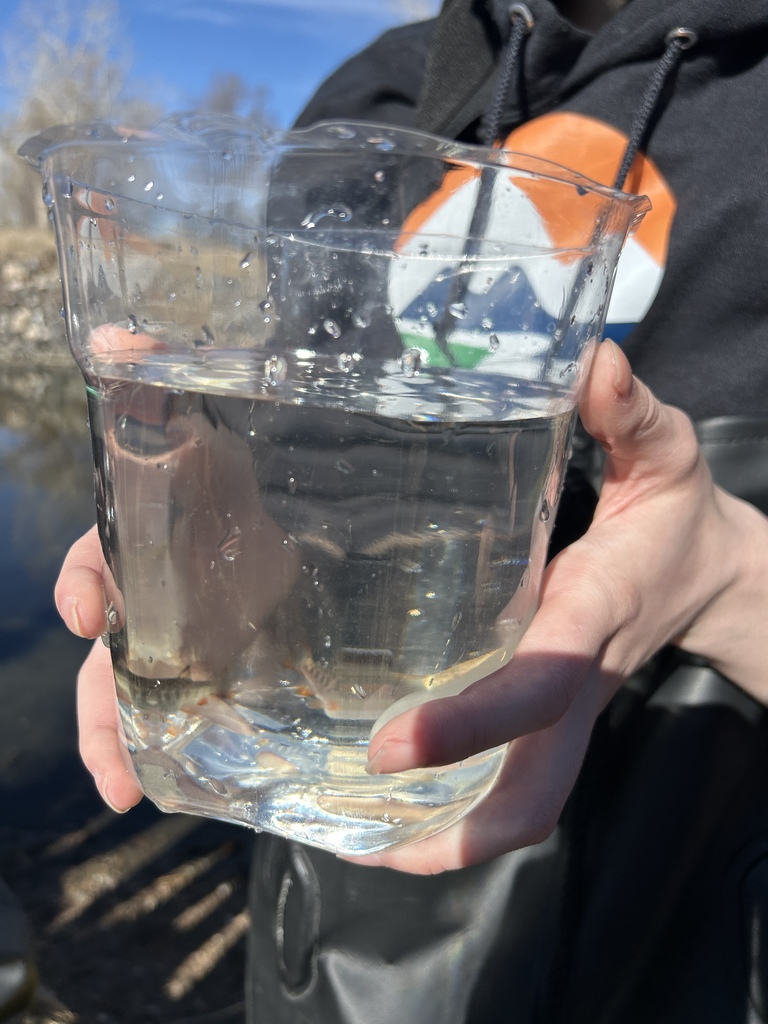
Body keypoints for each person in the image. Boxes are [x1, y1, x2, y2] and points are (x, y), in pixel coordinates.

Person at [54, 0, 768, 1020]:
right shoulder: (377, 89)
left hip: (697, 928)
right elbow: (297, 451)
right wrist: (227, 547)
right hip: (343, 933)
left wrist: (731, 575)